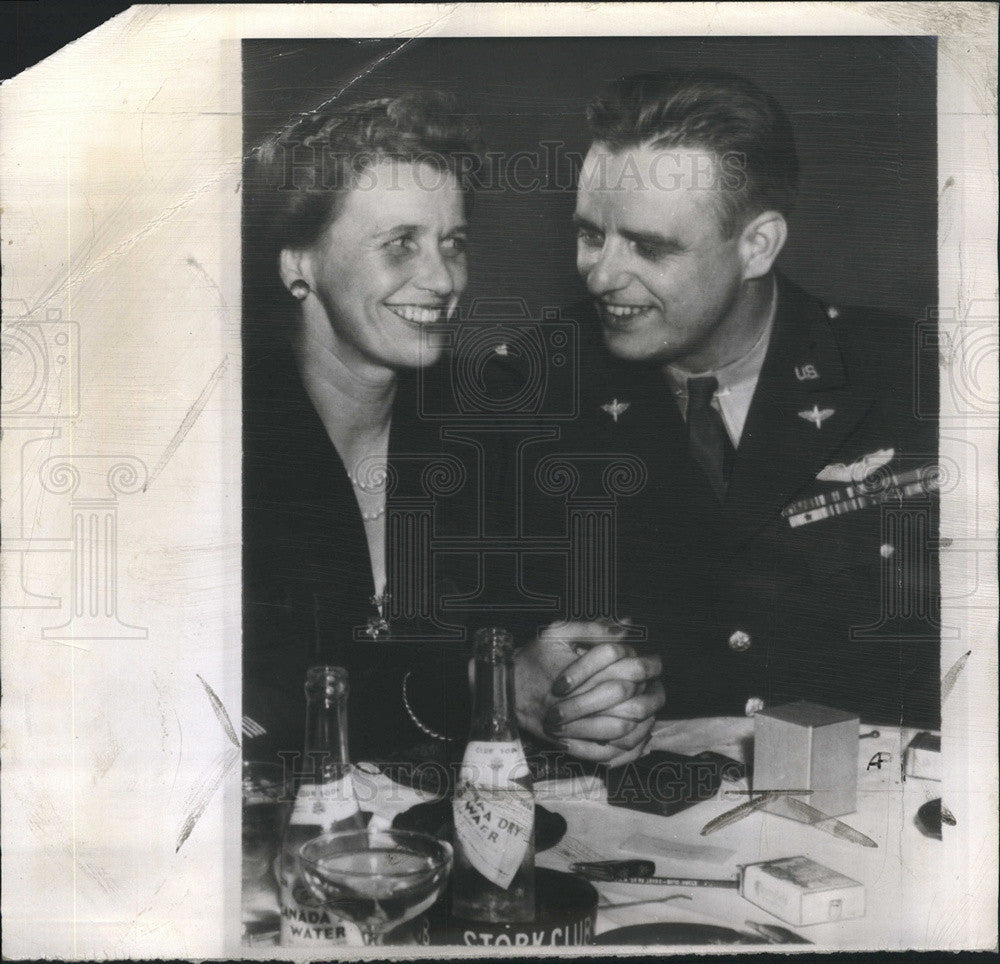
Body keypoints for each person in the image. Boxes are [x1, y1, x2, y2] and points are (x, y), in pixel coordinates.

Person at [242, 90, 664, 770]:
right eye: (400, 244)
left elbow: (555, 640)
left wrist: (599, 692)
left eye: (453, 243)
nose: (440, 278)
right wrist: (484, 689)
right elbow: (246, 717)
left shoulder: (493, 426)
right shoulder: (221, 449)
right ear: (300, 264)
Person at [540, 70, 939, 728]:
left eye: (649, 246)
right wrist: (507, 683)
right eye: (590, 235)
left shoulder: (913, 378)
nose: (603, 274)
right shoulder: (531, 389)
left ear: (757, 245)